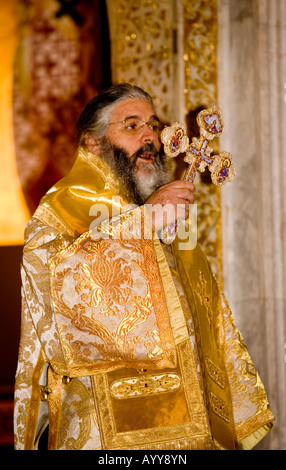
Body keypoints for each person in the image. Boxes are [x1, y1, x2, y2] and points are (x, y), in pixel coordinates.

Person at [14, 83, 274, 450]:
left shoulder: (159, 211)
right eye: (132, 125)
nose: (150, 135)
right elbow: (53, 292)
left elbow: (206, 316)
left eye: (153, 124)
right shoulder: (64, 207)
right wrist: (142, 222)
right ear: (93, 143)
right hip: (111, 432)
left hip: (190, 424)